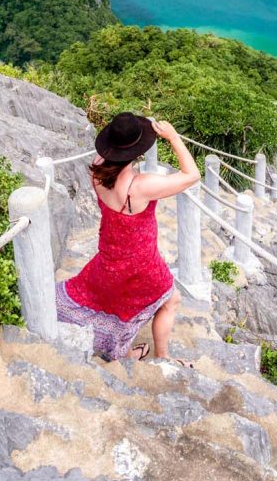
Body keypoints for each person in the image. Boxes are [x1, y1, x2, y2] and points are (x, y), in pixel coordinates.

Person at [55, 111, 200, 363]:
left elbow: (109, 157)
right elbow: (192, 175)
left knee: (104, 300)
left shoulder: (98, 169)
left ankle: (120, 348)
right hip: (141, 265)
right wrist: (174, 138)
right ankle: (163, 356)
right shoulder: (140, 186)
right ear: (138, 151)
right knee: (171, 300)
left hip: (109, 257)